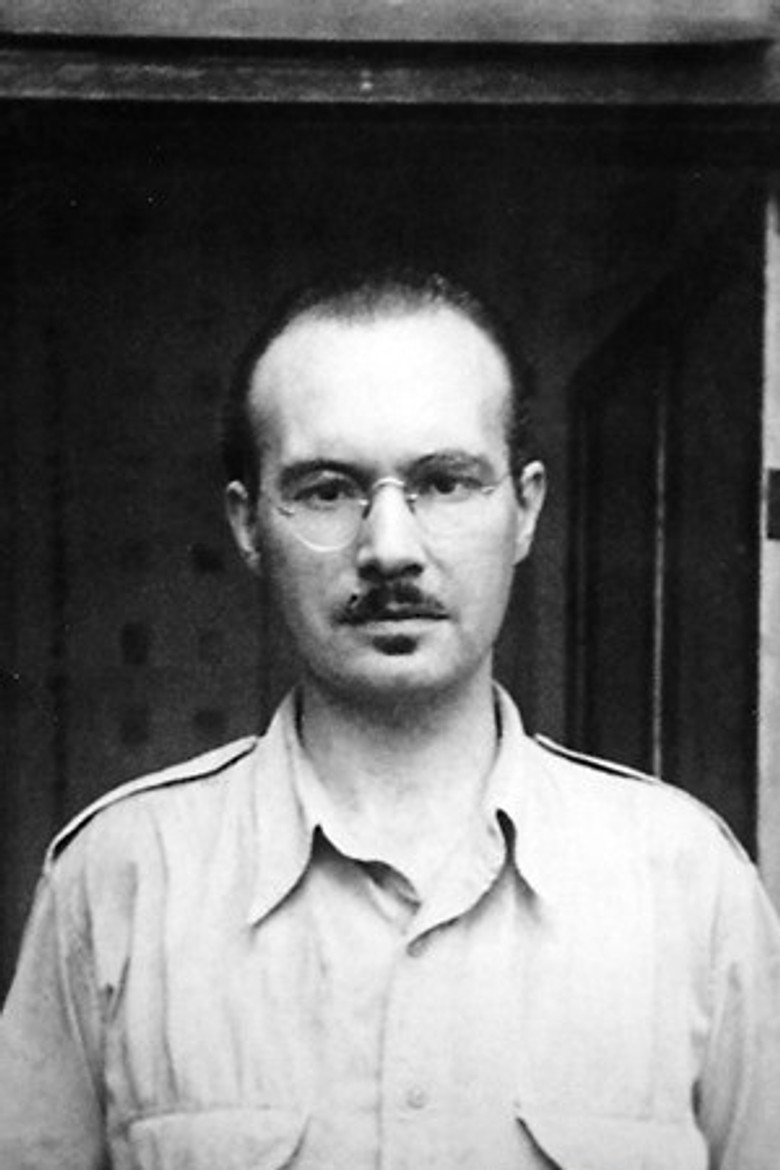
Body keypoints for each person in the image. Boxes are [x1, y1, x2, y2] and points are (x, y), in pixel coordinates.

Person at [1, 268, 779, 1170]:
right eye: (327, 490)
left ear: (525, 510)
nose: (390, 548)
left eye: (445, 483)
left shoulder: (687, 885)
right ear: (248, 525)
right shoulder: (118, 880)